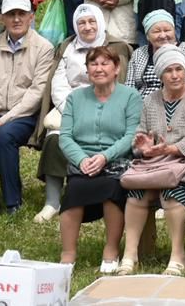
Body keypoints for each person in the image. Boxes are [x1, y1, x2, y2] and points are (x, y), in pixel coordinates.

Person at [30, 4, 133, 224]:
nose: (87, 27)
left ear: (100, 22)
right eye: (81, 23)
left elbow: (120, 81)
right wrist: (72, 109)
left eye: (91, 21)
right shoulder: (67, 46)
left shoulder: (117, 47)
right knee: (54, 139)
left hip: (106, 106)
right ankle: (52, 201)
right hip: (69, 106)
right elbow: (58, 82)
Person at [118, 45, 185, 277]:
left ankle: (178, 256)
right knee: (136, 193)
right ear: (160, 75)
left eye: (179, 69)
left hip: (184, 164)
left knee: (172, 193)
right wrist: (142, 146)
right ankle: (130, 255)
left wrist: (169, 148)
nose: (175, 75)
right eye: (168, 71)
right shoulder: (150, 100)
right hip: (153, 165)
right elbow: (140, 134)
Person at [58, 46, 141, 270]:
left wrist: (105, 157)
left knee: (111, 190)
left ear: (116, 68)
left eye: (105, 63)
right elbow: (64, 136)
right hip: (83, 161)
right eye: (93, 64)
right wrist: (81, 159)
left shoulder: (131, 96)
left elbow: (131, 135)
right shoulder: (75, 98)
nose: (99, 68)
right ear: (87, 70)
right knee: (74, 191)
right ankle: (68, 253)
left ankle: (111, 249)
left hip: (116, 160)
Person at [0, 0, 55, 215]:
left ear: (31, 17)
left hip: (25, 116)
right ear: (1, 18)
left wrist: (1, 122)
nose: (16, 19)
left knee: (4, 135)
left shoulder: (43, 47)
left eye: (21, 14)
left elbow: (36, 94)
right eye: (11, 15)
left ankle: (13, 202)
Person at [127, 9, 185, 97]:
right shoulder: (139, 53)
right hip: (140, 103)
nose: (163, 36)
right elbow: (130, 86)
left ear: (174, 31)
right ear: (147, 36)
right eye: (156, 31)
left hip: (175, 101)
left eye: (167, 30)